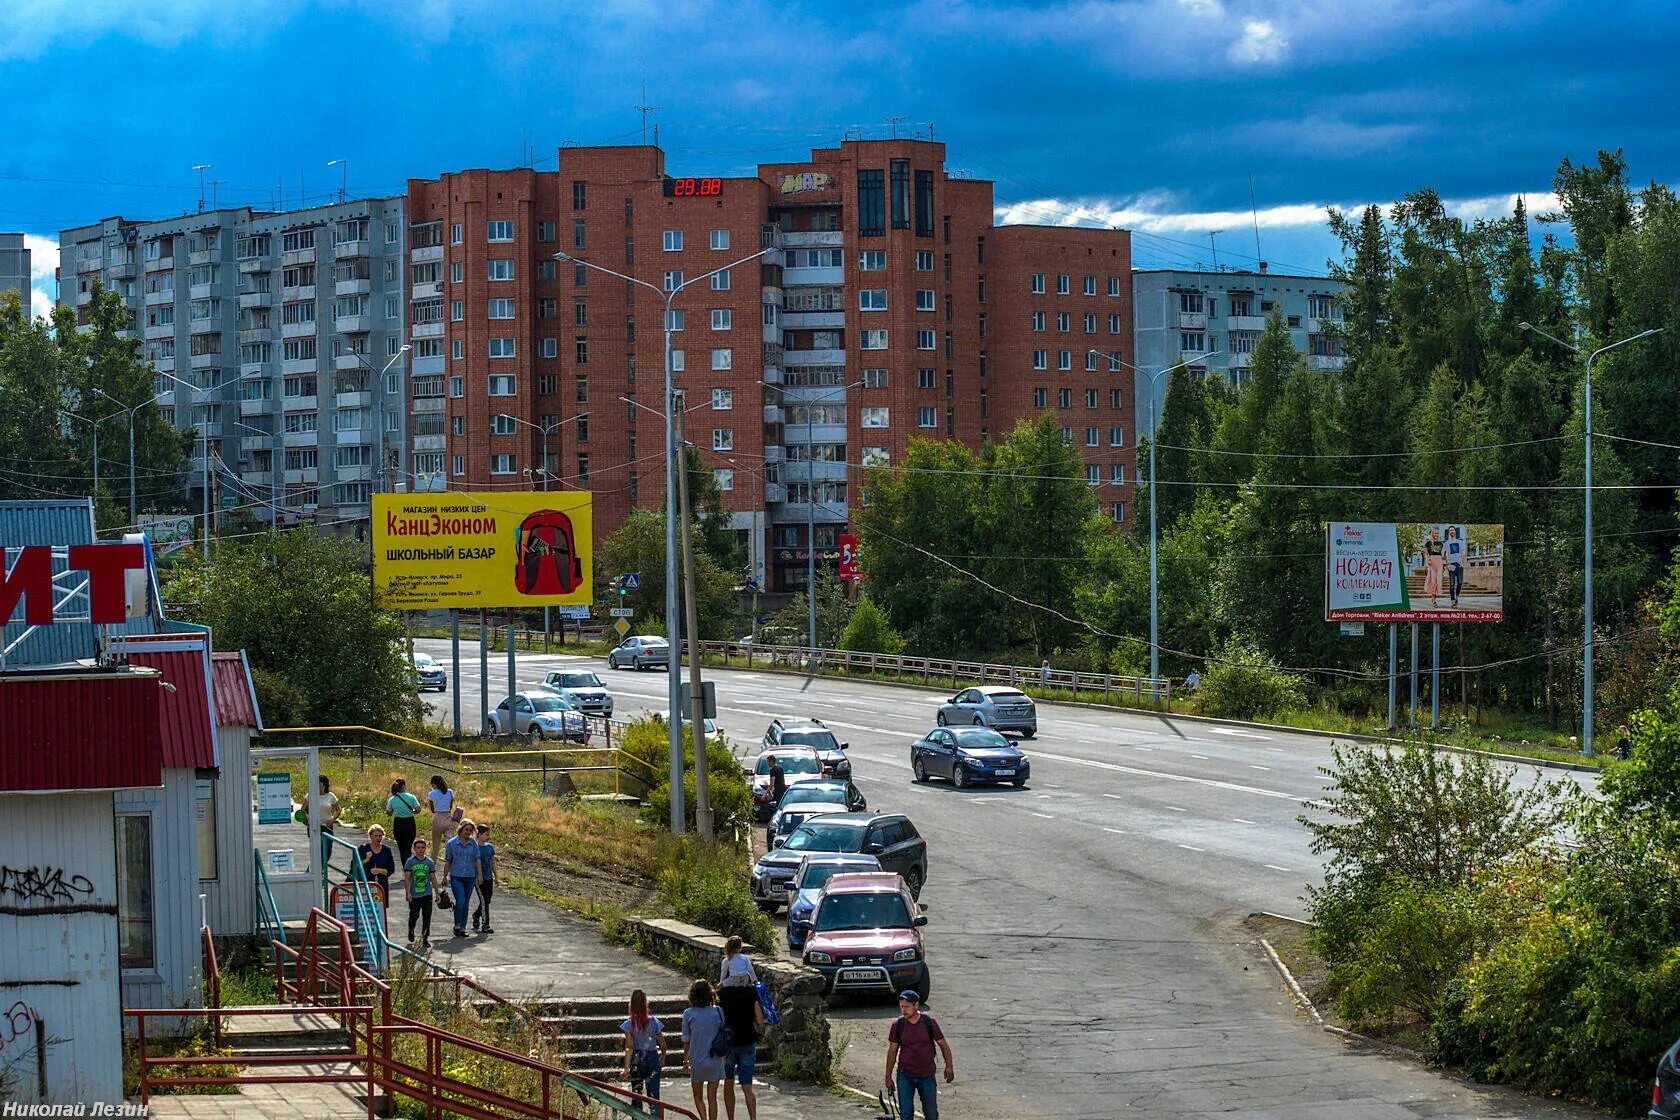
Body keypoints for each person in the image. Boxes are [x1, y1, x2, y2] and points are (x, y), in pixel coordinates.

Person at [885, 989, 953, 1120]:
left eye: (906, 1006)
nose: (903, 1010)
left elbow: (943, 1045)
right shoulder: (897, 1025)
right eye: (901, 1006)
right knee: (905, 1114)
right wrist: (888, 1076)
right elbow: (892, 1051)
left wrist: (949, 1066)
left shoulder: (929, 1022)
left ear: (916, 1005)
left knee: (931, 1114)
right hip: (905, 1075)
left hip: (926, 1076)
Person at [716, 968, 765, 1120]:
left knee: (728, 1082)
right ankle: (753, 1118)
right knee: (747, 1086)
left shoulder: (723, 994)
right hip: (747, 1040)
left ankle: (731, 1118)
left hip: (729, 1042)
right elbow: (760, 1020)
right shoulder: (751, 994)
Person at [680, 979, 725, 1120]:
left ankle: (703, 1118)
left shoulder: (688, 1013)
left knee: (697, 1095)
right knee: (713, 1097)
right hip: (716, 1058)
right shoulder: (718, 1011)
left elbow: (686, 1040)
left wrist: (685, 1060)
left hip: (697, 1059)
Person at [621, 988, 667, 1118]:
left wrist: (626, 1068)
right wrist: (662, 1058)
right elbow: (663, 1044)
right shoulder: (654, 1021)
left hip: (637, 1058)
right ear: (646, 1003)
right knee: (654, 1096)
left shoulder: (629, 1024)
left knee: (636, 1094)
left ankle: (637, 1117)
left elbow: (629, 1046)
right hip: (652, 1057)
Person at [442, 819, 482, 938]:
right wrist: (444, 876)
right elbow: (448, 861)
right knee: (460, 901)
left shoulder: (473, 844)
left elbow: (477, 859)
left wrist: (479, 874)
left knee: (466, 903)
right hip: (456, 877)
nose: (468, 832)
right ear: (461, 830)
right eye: (466, 830)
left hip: (470, 876)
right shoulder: (452, 844)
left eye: (470, 830)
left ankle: (462, 927)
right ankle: (457, 925)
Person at [404, 838, 435, 945]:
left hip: (427, 894)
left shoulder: (429, 862)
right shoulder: (410, 862)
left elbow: (433, 878)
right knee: (414, 915)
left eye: (423, 847)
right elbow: (407, 878)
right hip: (415, 895)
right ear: (414, 849)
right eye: (418, 848)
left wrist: (437, 892)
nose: (421, 850)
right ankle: (411, 929)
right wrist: (407, 893)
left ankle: (425, 937)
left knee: (427, 916)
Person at [357, 825, 397, 909]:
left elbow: (391, 868)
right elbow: (356, 866)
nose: (378, 838)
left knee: (381, 908)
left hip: (382, 884)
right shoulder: (363, 848)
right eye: (376, 836)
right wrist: (366, 860)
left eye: (380, 836)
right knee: (366, 907)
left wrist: (380, 871)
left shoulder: (387, 850)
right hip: (366, 883)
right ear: (370, 836)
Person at [387, 779, 422, 862]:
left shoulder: (392, 799)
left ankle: (405, 864)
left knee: (401, 846)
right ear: (403, 786)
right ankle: (409, 863)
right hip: (410, 822)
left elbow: (388, 812)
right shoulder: (411, 797)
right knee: (408, 845)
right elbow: (418, 809)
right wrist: (412, 811)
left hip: (398, 823)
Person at [471, 822, 497, 934]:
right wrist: (478, 876)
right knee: (484, 901)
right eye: (486, 834)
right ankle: (485, 924)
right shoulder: (474, 848)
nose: (488, 837)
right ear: (479, 835)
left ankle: (476, 915)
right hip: (478, 878)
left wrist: (496, 876)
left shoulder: (490, 847)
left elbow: (492, 861)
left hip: (488, 877)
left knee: (488, 899)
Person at [315, 775, 341, 871]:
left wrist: (333, 819)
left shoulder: (331, 796)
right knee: (318, 850)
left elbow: (338, 809)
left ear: (323, 784)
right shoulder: (310, 795)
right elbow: (302, 811)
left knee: (327, 850)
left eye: (318, 782)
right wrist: (307, 820)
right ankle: (318, 871)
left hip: (327, 826)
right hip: (315, 827)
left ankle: (319, 869)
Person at [427, 775, 456, 855]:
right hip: (448, 818)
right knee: (449, 843)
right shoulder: (450, 792)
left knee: (435, 844)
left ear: (434, 784)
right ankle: (449, 862)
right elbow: (450, 807)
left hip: (437, 818)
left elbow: (432, 810)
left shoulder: (431, 794)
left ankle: (434, 863)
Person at [1423, 528, 1445, 607]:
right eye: (1435, 533)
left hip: (1439, 562)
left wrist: (1444, 564)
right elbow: (1426, 554)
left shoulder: (1441, 544)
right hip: (1432, 561)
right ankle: (1434, 600)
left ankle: (1434, 598)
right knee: (1433, 581)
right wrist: (1428, 560)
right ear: (1432, 534)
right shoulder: (1428, 543)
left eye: (1437, 533)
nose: (1436, 535)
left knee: (1438, 581)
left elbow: (1441, 554)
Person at [1444, 525, 1465, 607]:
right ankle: (1453, 601)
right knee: (1452, 584)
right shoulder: (1446, 543)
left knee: (1460, 582)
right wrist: (1447, 564)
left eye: (1453, 530)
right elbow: (1444, 555)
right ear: (1449, 532)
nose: (1451, 531)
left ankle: (1457, 596)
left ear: (1455, 531)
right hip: (1451, 565)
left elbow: (1462, 552)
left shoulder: (1460, 542)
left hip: (1459, 565)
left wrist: (1462, 563)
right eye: (1450, 530)